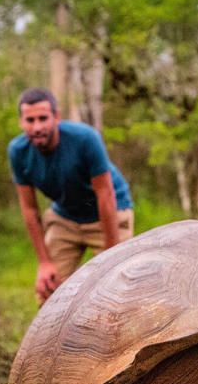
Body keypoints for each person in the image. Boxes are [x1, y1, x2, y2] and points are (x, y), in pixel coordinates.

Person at [8, 87, 134, 302]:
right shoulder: (18, 152)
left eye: (43, 118)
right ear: (21, 122)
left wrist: (111, 257)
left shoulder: (85, 139)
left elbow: (105, 194)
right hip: (65, 216)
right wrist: (45, 262)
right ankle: (54, 336)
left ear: (56, 117)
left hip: (110, 211)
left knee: (118, 289)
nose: (37, 127)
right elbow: (30, 209)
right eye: (30, 120)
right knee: (49, 289)